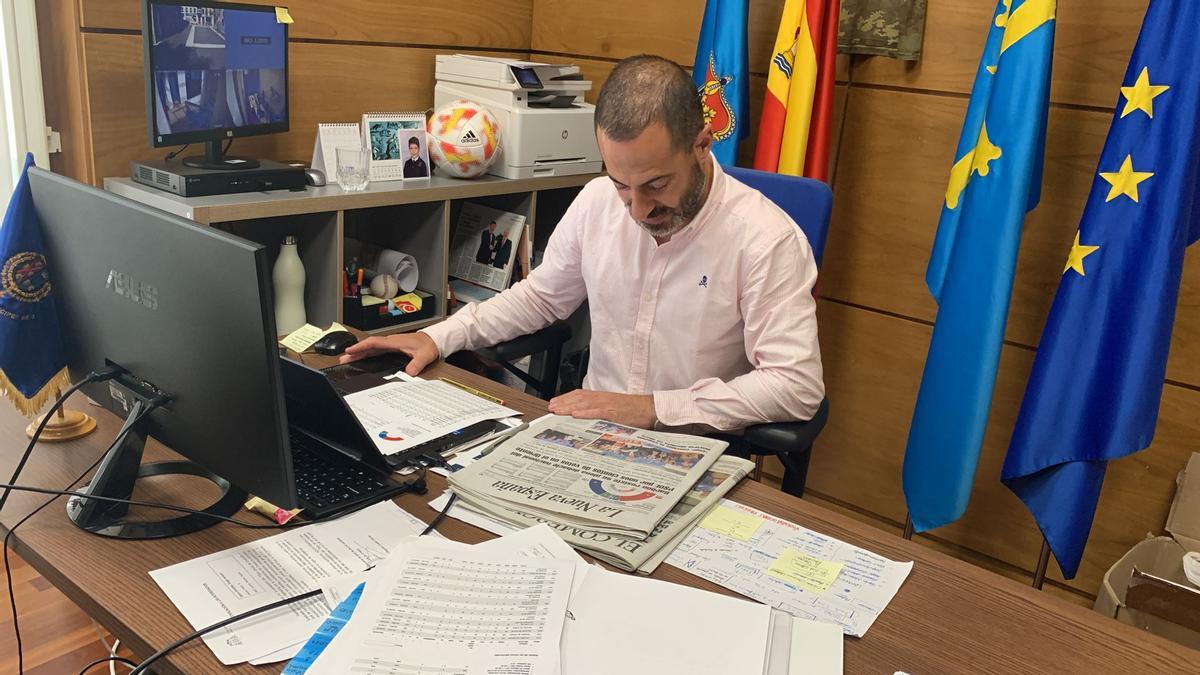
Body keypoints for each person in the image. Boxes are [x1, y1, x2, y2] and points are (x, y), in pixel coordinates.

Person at [342, 54, 823, 432]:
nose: (636, 210)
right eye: (620, 182)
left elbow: (795, 385)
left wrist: (653, 409)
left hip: (696, 443)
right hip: (587, 431)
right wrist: (439, 335)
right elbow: (541, 297)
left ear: (702, 143)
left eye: (656, 184)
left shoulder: (765, 239)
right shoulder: (596, 201)